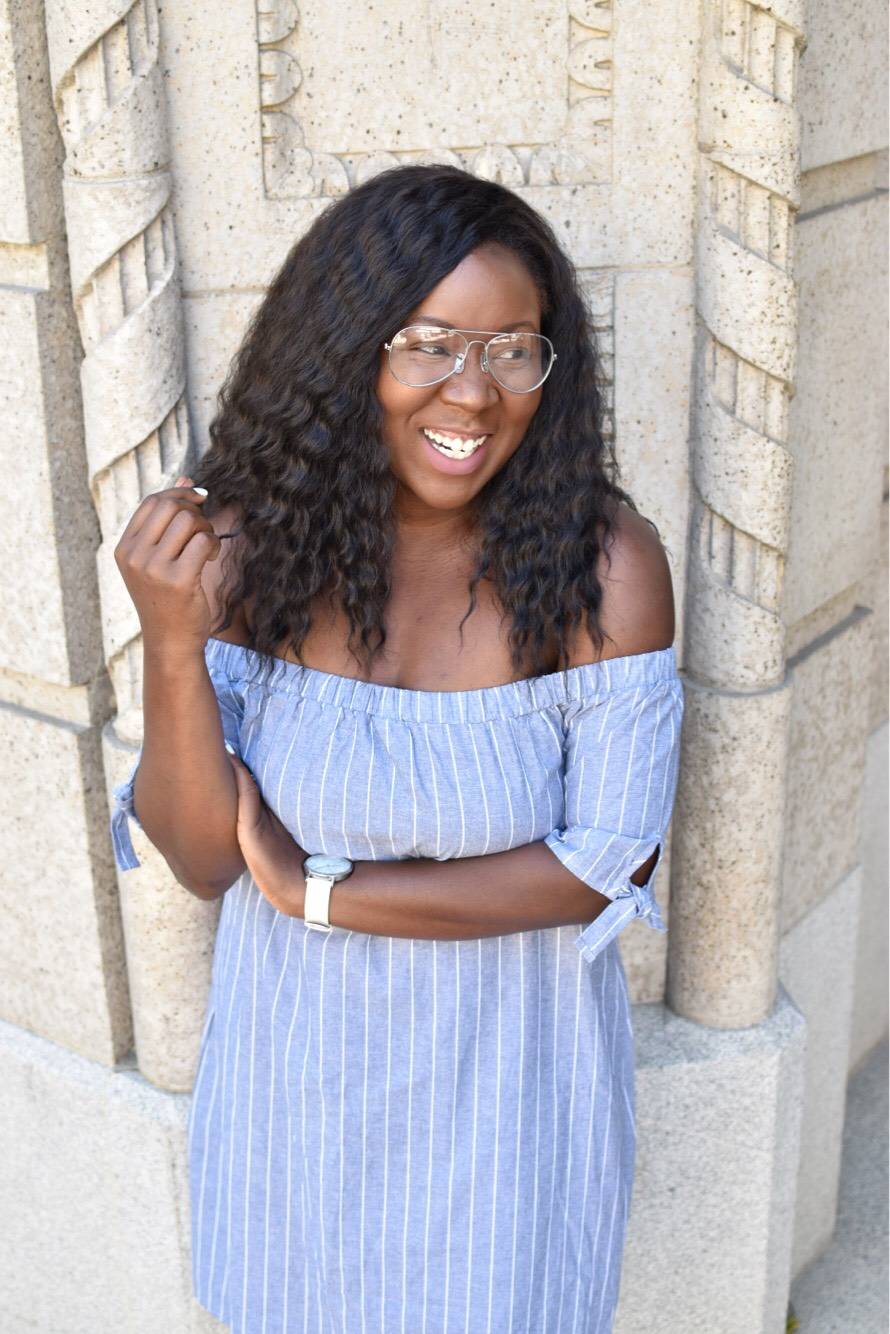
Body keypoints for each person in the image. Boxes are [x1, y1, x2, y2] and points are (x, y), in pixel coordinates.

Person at [109, 163, 684, 1334]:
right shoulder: (245, 555)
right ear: (346, 349)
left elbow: (604, 867)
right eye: (427, 341)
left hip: (504, 1127)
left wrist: (324, 893)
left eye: (513, 349)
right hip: (293, 1102)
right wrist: (172, 645)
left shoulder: (602, 570)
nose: (472, 392)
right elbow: (202, 857)